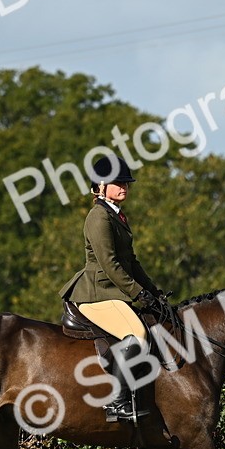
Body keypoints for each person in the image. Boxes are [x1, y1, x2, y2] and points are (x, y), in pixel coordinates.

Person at [59, 156, 169, 423]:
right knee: (137, 334)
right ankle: (116, 402)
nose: (124, 187)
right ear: (101, 185)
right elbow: (110, 265)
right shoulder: (98, 217)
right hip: (96, 293)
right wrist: (137, 293)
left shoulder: (116, 215)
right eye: (118, 183)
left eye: (126, 183)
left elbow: (131, 261)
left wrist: (153, 292)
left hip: (112, 291)